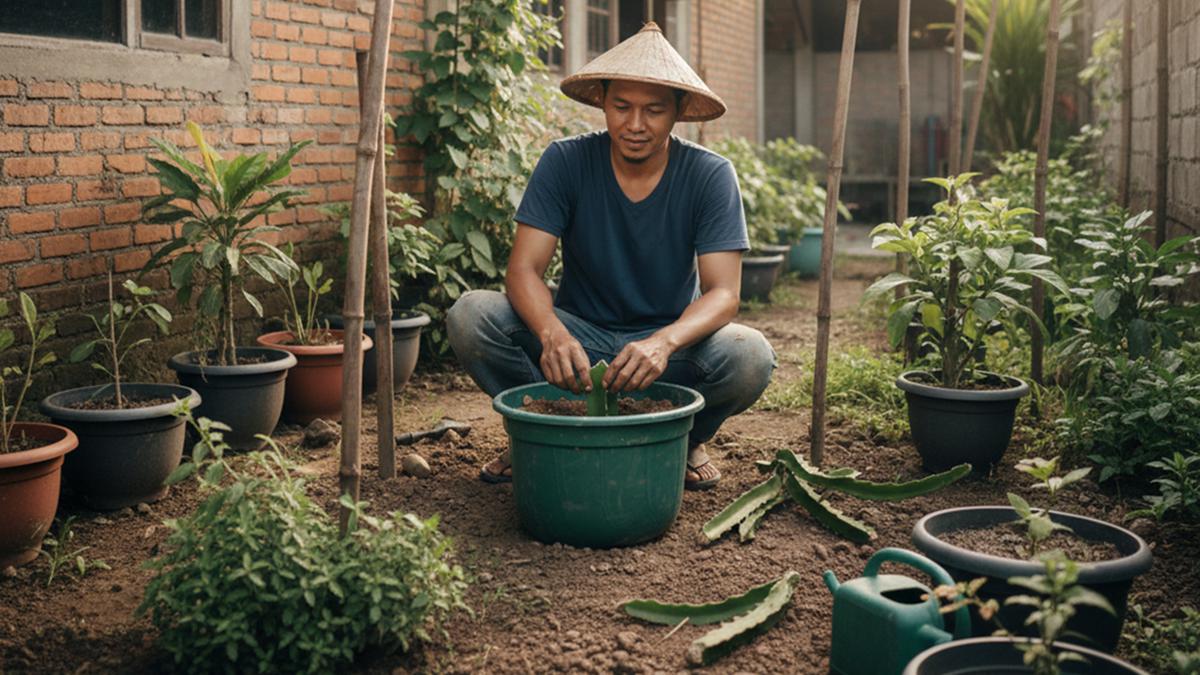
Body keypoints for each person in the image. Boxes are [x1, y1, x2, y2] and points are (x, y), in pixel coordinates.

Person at [446, 22, 775, 490]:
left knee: (749, 356)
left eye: (654, 110)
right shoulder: (565, 161)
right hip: (578, 343)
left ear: (679, 112)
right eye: (621, 106)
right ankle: (539, 429)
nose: (635, 124)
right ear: (602, 100)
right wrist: (552, 332)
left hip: (667, 349)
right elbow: (523, 269)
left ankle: (683, 438)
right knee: (470, 314)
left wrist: (664, 342)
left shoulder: (710, 175)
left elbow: (724, 293)